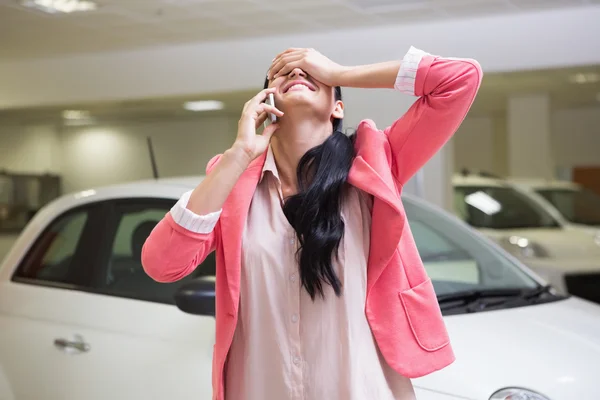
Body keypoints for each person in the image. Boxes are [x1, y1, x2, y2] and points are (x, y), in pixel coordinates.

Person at [142, 45, 482, 400]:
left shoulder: (376, 162)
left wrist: (338, 73)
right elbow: (161, 264)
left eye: (310, 72)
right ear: (266, 102)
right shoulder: (233, 180)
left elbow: (460, 78)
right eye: (282, 72)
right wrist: (238, 156)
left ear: (338, 106)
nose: (298, 73)